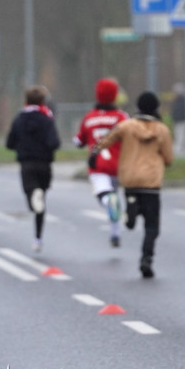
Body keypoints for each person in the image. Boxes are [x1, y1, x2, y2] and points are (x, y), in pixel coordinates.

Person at [92, 92, 174, 278]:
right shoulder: (161, 130)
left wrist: (95, 153)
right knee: (152, 226)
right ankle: (146, 258)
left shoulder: (126, 126)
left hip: (129, 179)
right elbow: (169, 159)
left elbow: (106, 140)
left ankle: (131, 212)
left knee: (133, 206)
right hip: (151, 183)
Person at [74, 78, 130, 247]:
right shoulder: (122, 116)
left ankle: (107, 201)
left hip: (98, 165)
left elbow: (78, 141)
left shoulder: (89, 117)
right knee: (114, 196)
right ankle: (115, 233)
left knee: (104, 197)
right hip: (118, 165)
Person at [5, 86, 61, 253]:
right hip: (44, 164)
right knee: (41, 204)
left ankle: (32, 198)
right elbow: (55, 143)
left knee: (32, 197)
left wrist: (22, 146)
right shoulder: (47, 119)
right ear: (43, 102)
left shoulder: (19, 119)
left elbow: (9, 143)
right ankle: (38, 238)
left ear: (26, 101)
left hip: (27, 164)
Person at [171, 83, 185, 158]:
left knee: (183, 138)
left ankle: (182, 152)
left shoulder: (184, 100)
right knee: (179, 137)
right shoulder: (176, 101)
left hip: (183, 121)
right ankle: (179, 152)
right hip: (178, 122)